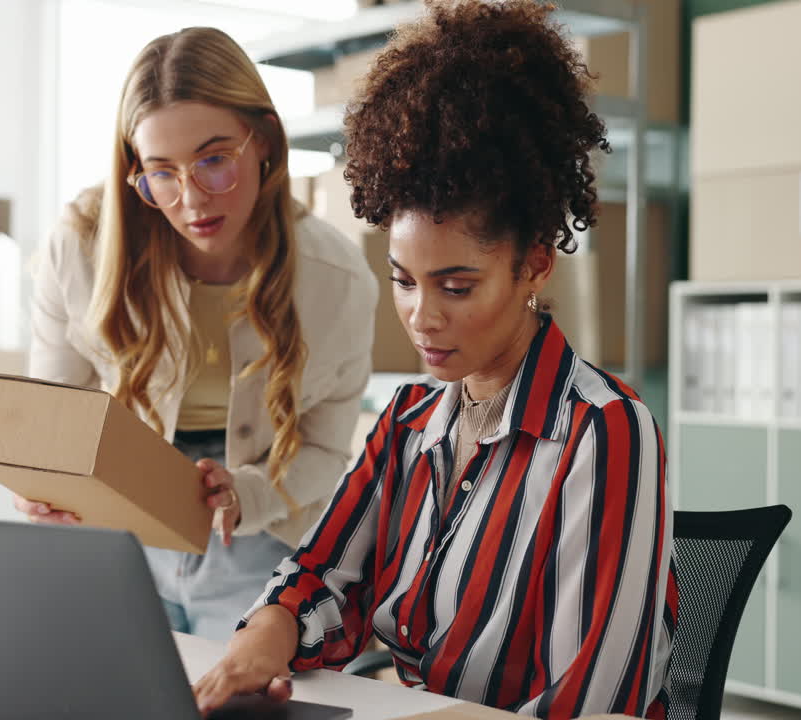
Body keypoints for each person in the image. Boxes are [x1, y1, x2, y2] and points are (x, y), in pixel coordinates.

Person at [194, 1, 678, 717]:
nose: (422, 317)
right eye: (403, 280)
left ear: (535, 266)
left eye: (457, 286)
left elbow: (596, 699)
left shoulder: (602, 433)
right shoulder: (410, 420)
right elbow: (326, 573)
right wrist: (271, 626)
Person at [18, 26, 378, 644]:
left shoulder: (337, 280)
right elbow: (52, 417)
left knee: (239, 701)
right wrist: (42, 485)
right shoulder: (79, 246)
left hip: (260, 524)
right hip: (120, 517)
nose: (191, 201)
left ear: (262, 139)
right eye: (162, 172)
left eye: (214, 159)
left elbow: (324, 452)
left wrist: (250, 494)